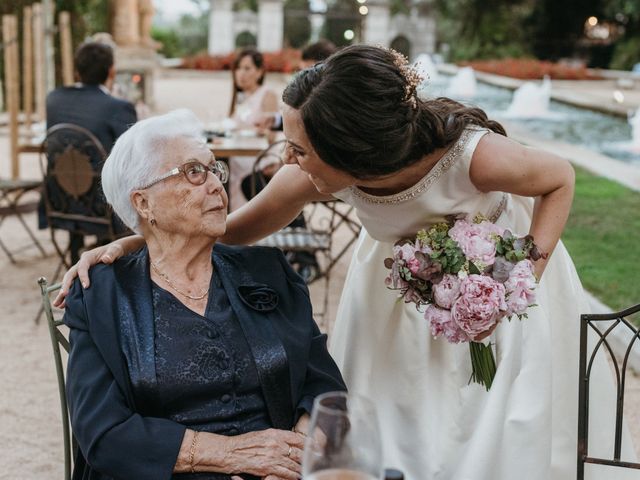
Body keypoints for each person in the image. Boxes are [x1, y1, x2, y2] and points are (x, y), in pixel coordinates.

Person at [55, 46, 635, 479]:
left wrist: (516, 283)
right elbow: (227, 229)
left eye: (300, 150)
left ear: (351, 156)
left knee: (496, 425)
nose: (288, 158)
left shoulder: (473, 158)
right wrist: (137, 241)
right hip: (395, 294)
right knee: (389, 416)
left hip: (502, 278)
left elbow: (560, 178)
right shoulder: (311, 175)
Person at [62, 109, 346, 480]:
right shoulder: (101, 296)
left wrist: (294, 457)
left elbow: (323, 386)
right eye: (194, 172)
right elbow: (103, 432)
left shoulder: (267, 272)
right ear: (143, 203)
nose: (216, 184)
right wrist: (230, 454)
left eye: (215, 170)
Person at [43, 41, 137, 262]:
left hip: (60, 200)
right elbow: (131, 154)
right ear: (112, 70)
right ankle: (108, 249)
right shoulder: (117, 106)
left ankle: (76, 245)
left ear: (76, 71)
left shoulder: (54, 99)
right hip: (102, 206)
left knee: (80, 169)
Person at [227, 48, 279, 210]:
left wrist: (251, 130)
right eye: (238, 68)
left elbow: (271, 136)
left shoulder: (267, 94)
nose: (241, 73)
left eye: (247, 68)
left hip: (258, 160)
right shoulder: (240, 98)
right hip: (237, 158)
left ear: (260, 72)